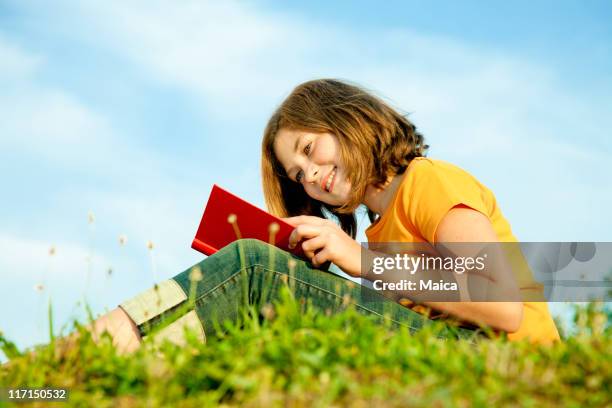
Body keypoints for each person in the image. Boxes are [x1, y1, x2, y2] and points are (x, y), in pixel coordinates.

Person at [78, 79, 560, 355]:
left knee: (251, 267)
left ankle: (81, 360)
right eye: (299, 174)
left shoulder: (428, 181)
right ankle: (116, 375)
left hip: (509, 361)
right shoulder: (378, 231)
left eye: (310, 149)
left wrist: (365, 263)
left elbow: (501, 304)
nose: (312, 176)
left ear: (348, 118)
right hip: (460, 356)